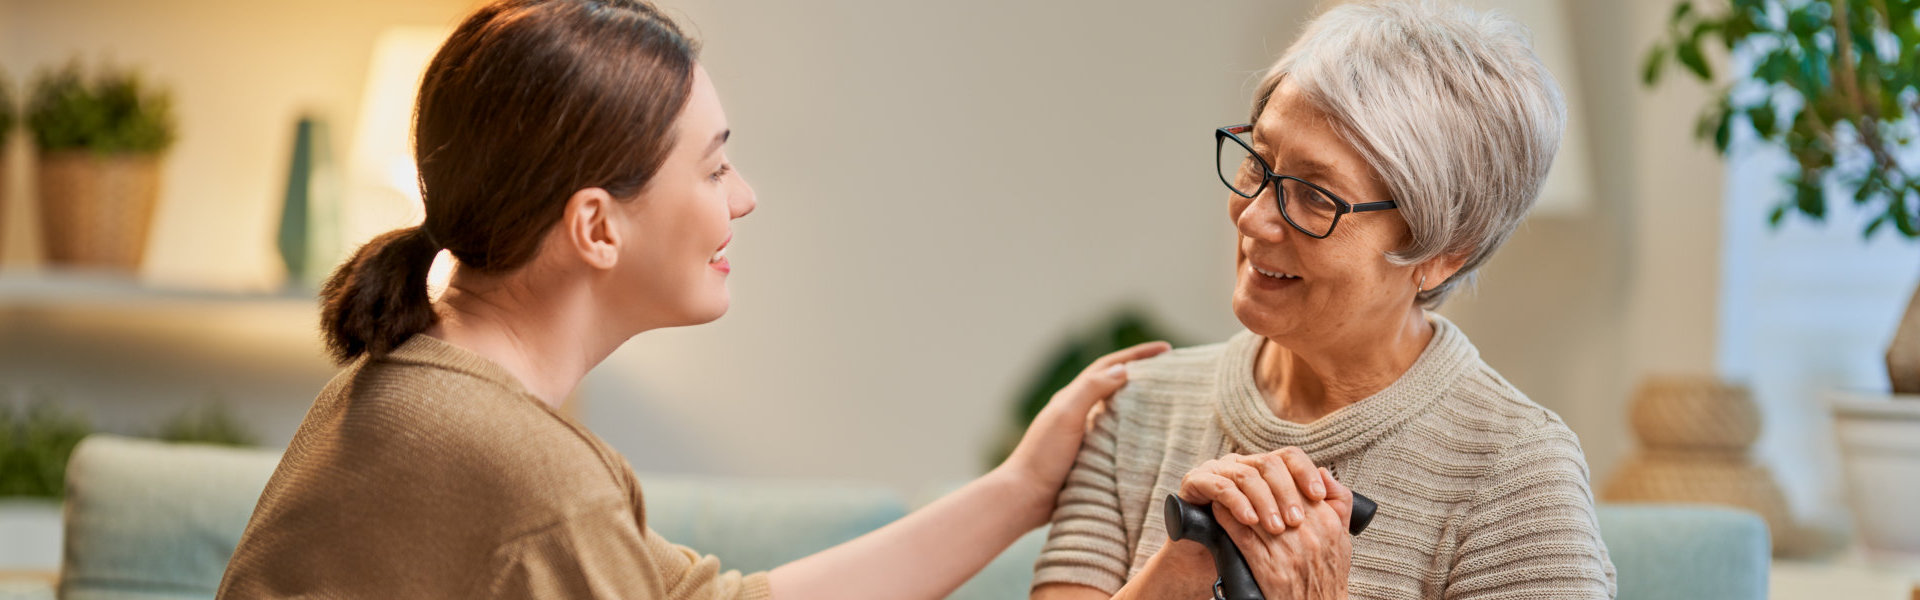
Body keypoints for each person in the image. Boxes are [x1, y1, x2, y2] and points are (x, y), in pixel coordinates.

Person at [215, 1, 1167, 597]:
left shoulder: (406, 393)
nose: (743, 197)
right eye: (714, 169)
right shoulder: (530, 480)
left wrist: (1019, 490)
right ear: (597, 227)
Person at [1030, 2, 1616, 599]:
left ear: (1445, 250)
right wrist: (1174, 576)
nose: (1254, 218)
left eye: (1313, 194)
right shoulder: (1136, 410)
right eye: (1260, 162)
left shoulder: (1517, 471)